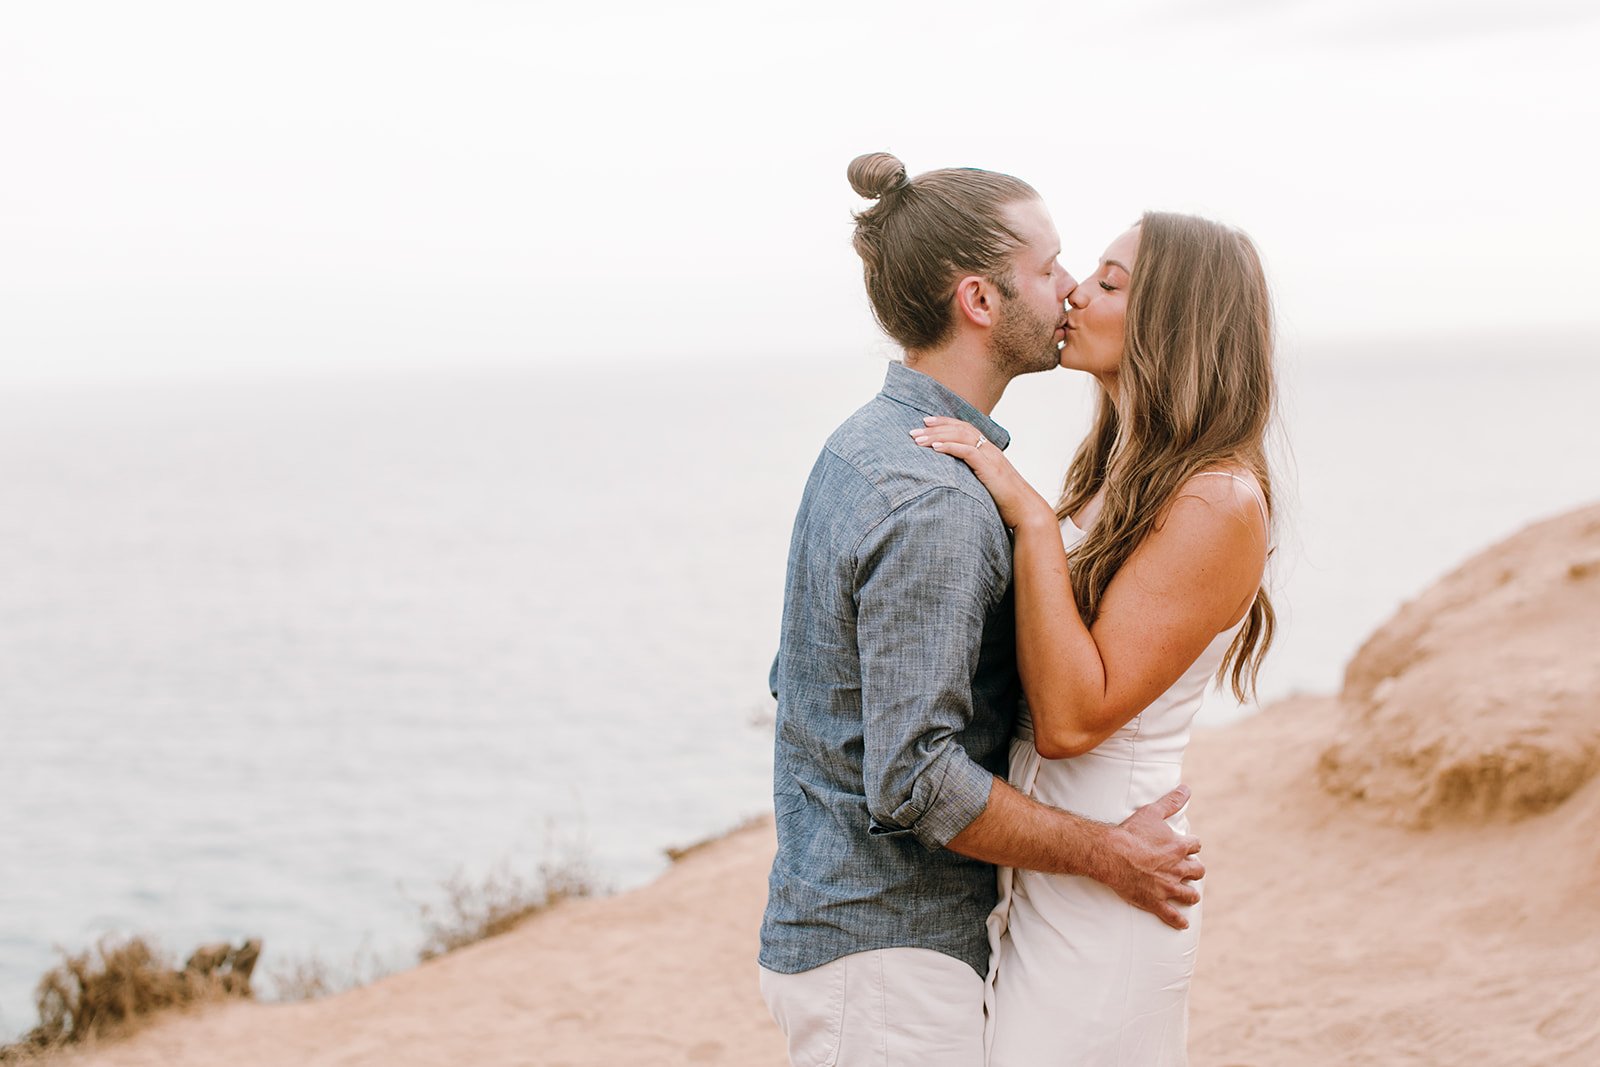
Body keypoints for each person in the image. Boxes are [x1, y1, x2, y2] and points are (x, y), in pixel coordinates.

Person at [758, 153, 1205, 1067]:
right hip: (886, 960)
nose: (1071, 287)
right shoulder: (938, 500)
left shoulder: (866, 443)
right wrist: (1110, 853)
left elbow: (802, 681)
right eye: (1050, 269)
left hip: (855, 939)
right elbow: (915, 777)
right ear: (980, 300)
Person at [911, 211, 1277, 1065]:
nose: (1075, 291)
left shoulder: (1217, 500)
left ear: (1173, 322)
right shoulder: (1123, 474)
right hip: (1055, 860)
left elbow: (1076, 718)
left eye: (1110, 282)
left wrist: (1030, 517)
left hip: (1116, 877)